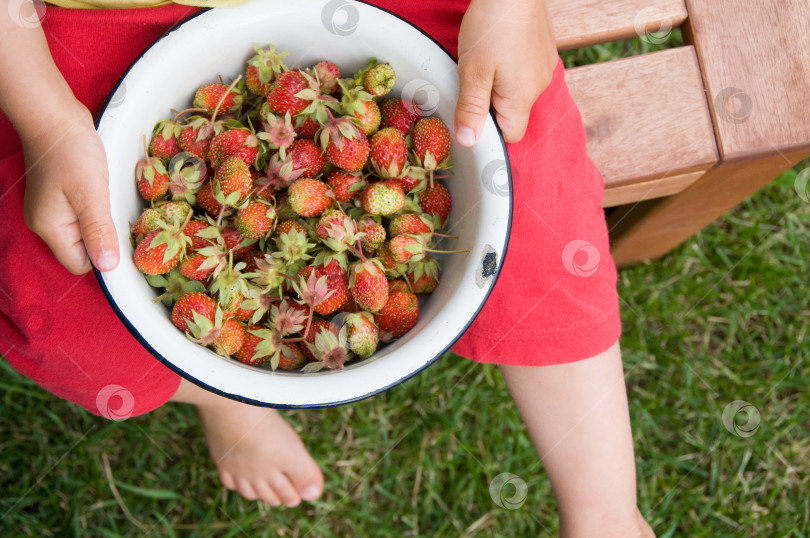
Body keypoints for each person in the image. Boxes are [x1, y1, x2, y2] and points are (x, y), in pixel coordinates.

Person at [0, 0, 654, 535]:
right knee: (64, 307)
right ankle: (229, 399)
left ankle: (604, 513)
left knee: (532, 185)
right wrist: (46, 119)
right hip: (81, 31)